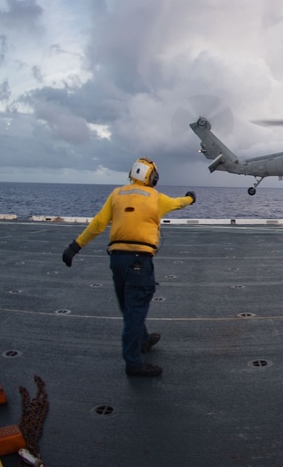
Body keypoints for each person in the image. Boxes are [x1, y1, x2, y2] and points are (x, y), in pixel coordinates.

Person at [61, 157, 196, 377]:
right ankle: (133, 362)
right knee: (136, 306)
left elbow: (97, 224)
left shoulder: (117, 194)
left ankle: (143, 340)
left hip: (117, 260)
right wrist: (190, 198)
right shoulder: (155, 198)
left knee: (128, 305)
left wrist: (74, 247)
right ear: (152, 177)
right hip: (139, 261)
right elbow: (177, 203)